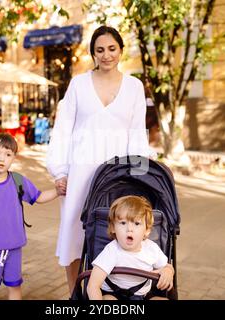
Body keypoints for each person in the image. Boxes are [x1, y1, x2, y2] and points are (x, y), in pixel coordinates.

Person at [46, 25, 154, 295]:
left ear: (120, 50)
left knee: (111, 232)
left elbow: (137, 134)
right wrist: (59, 172)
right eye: (99, 50)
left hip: (117, 176)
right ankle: (74, 293)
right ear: (93, 53)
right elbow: (62, 130)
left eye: (112, 49)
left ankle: (108, 290)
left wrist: (139, 178)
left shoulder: (134, 87)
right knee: (73, 233)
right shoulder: (78, 84)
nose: (106, 55)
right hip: (79, 172)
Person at [0, 133, 59, 300]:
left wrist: (58, 191)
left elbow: (39, 197)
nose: (2, 159)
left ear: (14, 157)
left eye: (8, 155)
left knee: (15, 286)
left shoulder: (18, 181)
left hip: (14, 248)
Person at [87, 196, 174, 300]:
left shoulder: (151, 249)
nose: (129, 229)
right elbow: (93, 285)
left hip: (142, 296)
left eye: (137, 223)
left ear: (147, 230)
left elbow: (167, 266)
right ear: (113, 228)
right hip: (114, 294)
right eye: (123, 223)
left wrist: (168, 271)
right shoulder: (112, 251)